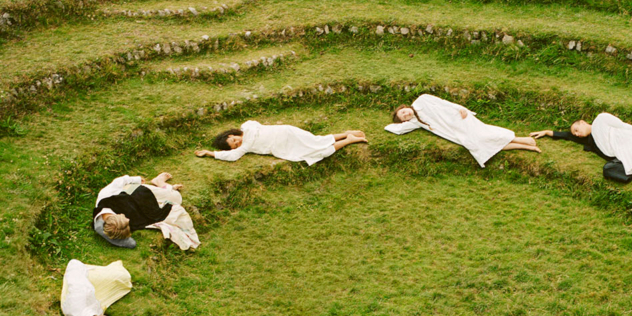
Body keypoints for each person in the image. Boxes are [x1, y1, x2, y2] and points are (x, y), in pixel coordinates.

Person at [386, 93, 540, 167]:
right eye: (403, 117)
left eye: (404, 112)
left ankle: (520, 140)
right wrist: (396, 123)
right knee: (478, 143)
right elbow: (396, 130)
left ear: (405, 107)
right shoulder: (415, 122)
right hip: (455, 132)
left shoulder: (422, 99)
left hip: (459, 119)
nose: (406, 115)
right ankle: (523, 144)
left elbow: (444, 102)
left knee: (485, 134)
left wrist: (460, 108)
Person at [92, 172, 199, 251]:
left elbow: (119, 181)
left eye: (125, 218)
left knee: (176, 197)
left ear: (118, 215)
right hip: (141, 205)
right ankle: (165, 188)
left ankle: (159, 182)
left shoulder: (105, 194)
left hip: (132, 190)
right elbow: (130, 243)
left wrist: (136, 180)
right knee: (175, 201)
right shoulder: (105, 227)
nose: (128, 219)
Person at [196, 120, 368, 165]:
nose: (237, 143)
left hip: (286, 133)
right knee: (316, 152)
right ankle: (349, 139)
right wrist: (210, 153)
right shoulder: (245, 146)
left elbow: (254, 125)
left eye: (234, 139)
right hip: (283, 146)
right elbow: (232, 156)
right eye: (235, 144)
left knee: (315, 141)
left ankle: (345, 135)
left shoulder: (247, 127)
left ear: (233, 133)